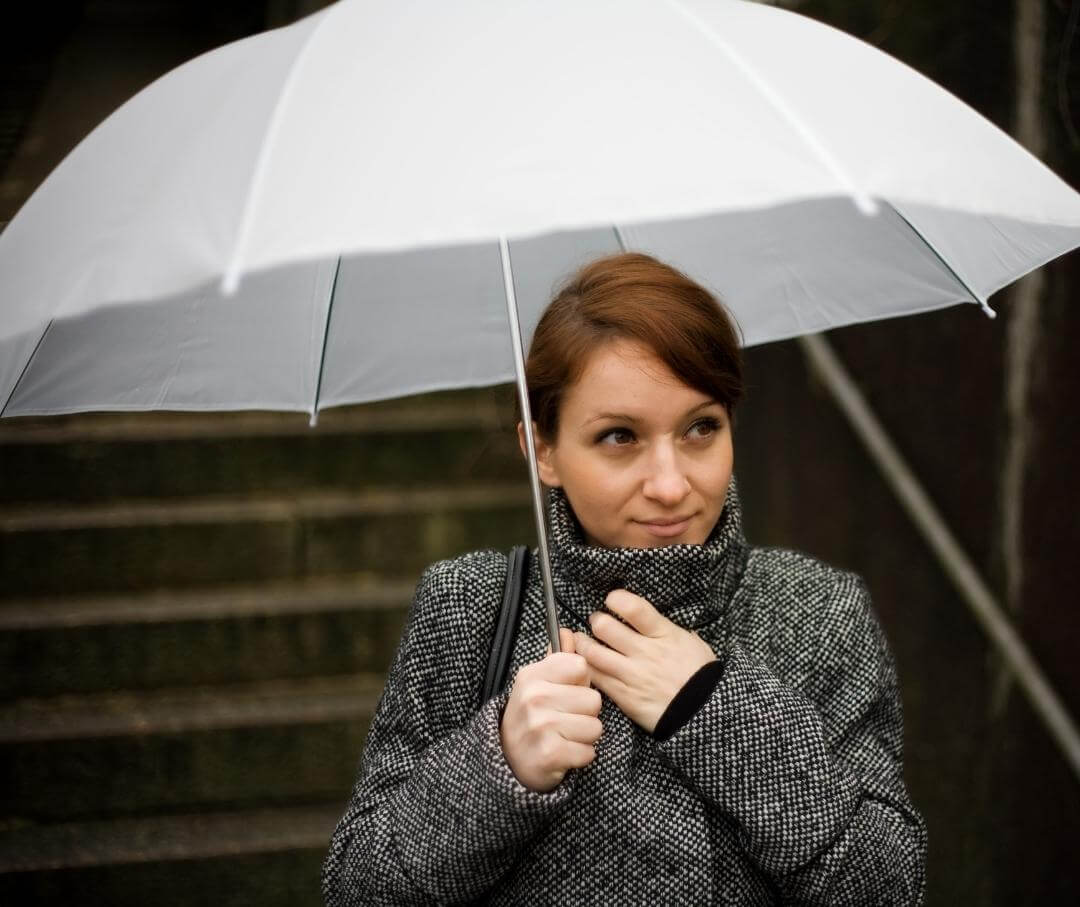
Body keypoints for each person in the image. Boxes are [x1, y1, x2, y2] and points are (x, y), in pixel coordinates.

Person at [322, 252, 927, 905]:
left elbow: (891, 886)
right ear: (543, 451)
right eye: (619, 436)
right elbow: (358, 889)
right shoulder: (468, 611)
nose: (670, 484)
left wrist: (716, 711)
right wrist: (496, 764)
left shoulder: (815, 611)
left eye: (701, 427)